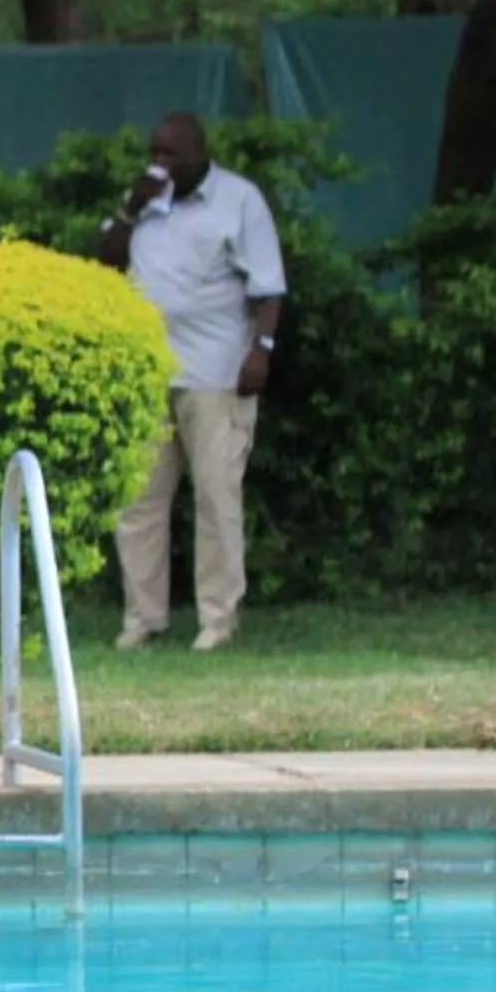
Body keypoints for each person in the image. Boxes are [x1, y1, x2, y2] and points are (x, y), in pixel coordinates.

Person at [95, 113, 286, 651]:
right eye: (154, 151)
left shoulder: (238, 200)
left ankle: (217, 621)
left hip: (217, 373)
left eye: (170, 154)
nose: (160, 163)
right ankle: (143, 618)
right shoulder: (144, 203)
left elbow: (269, 288)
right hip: (150, 372)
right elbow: (104, 261)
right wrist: (129, 210)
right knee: (139, 502)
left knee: (216, 497)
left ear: (200, 153)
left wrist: (261, 351)